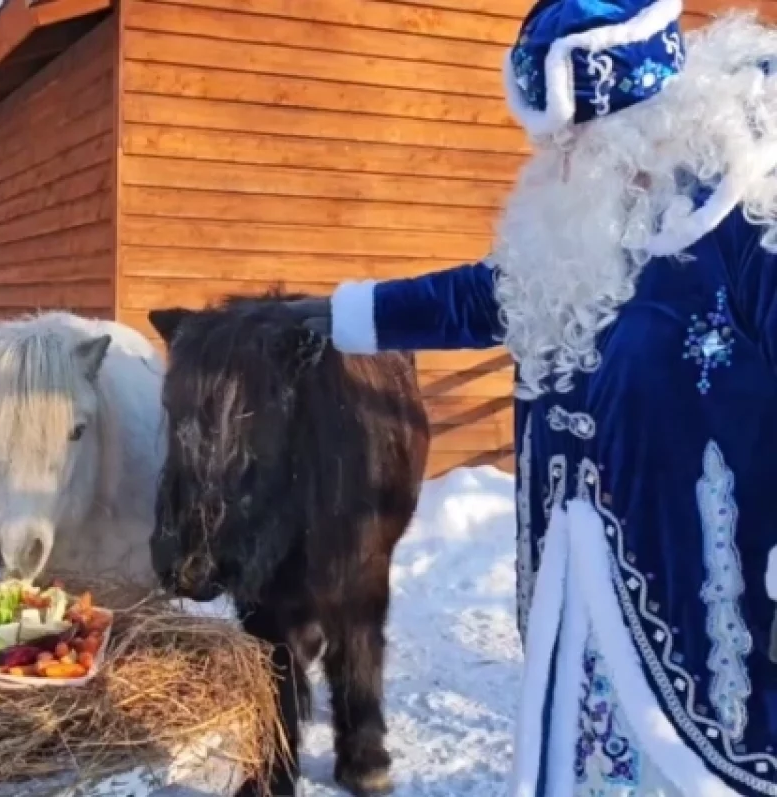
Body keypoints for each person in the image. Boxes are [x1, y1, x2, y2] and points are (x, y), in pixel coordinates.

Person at [287, 2, 777, 795]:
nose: (557, 161)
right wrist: (337, 315)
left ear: (648, 124)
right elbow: (488, 298)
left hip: (702, 615)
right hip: (577, 597)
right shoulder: (593, 227)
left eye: (574, 142)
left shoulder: (747, 229)